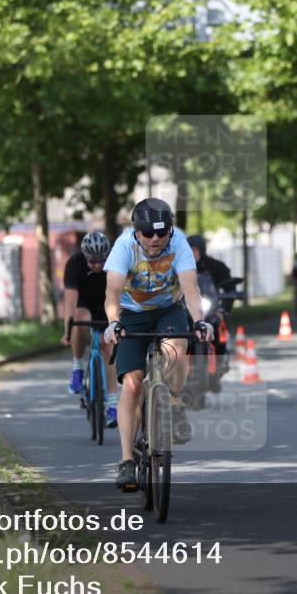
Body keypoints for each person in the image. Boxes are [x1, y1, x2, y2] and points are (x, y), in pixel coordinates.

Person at [102, 198, 213, 491]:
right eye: (148, 233)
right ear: (137, 232)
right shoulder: (124, 247)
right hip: (132, 314)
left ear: (170, 231)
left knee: (176, 347)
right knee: (132, 385)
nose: (155, 239)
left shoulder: (179, 244)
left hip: (168, 309)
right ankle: (127, 462)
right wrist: (114, 322)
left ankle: (175, 406)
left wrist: (199, 320)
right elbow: (112, 293)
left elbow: (191, 288)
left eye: (161, 233)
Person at [61, 231, 119, 426]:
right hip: (84, 305)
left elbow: (122, 295)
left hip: (106, 306)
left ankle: (112, 404)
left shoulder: (115, 263)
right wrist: (67, 331)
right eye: (92, 261)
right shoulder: (74, 264)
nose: (97, 265)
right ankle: (77, 368)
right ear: (84, 256)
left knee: (107, 347)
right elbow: (70, 303)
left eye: (100, 261)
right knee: (79, 318)